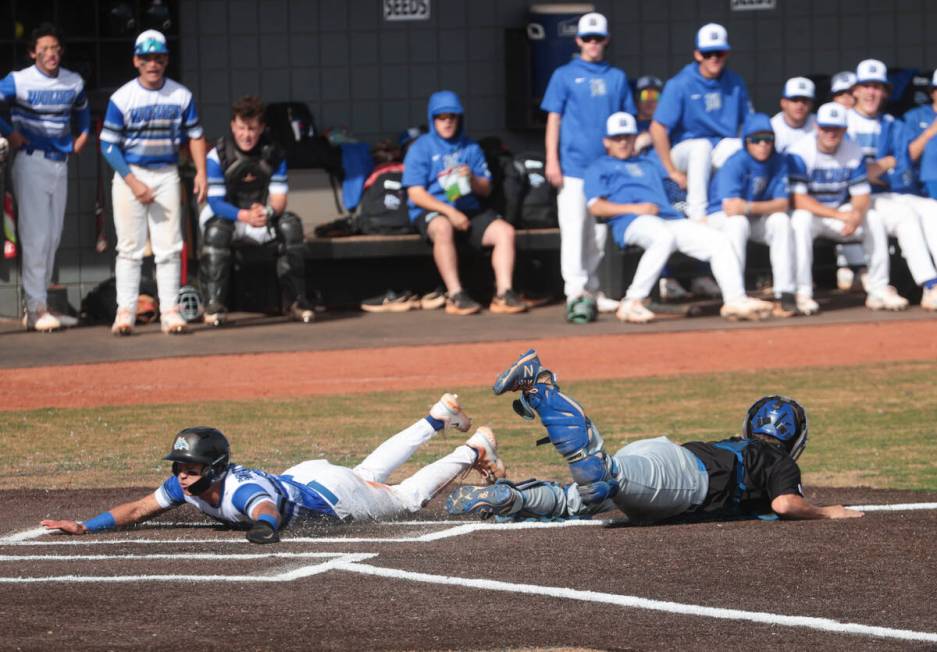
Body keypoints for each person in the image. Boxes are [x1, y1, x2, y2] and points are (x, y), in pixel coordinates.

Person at [447, 349, 864, 523]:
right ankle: (541, 388)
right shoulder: (781, 462)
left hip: (667, 461)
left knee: (582, 500)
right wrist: (828, 512)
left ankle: (510, 498)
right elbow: (786, 504)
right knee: (601, 478)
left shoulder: (742, 447)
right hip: (682, 478)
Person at [41, 393, 505, 543]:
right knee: (368, 470)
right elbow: (140, 509)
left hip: (329, 496)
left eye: (190, 466)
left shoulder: (237, 489)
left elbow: (261, 506)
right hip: (311, 479)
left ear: (214, 467)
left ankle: (474, 448)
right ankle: (434, 419)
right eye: (179, 465)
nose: (181, 473)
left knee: (404, 500)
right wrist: (87, 525)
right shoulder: (190, 485)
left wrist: (264, 528)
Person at [584, 112, 773, 323]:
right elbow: (596, 207)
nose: (622, 142)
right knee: (663, 238)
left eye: (627, 137)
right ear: (606, 141)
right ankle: (632, 301)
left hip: (670, 218)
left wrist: (672, 168)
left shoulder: (649, 163)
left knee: (719, 241)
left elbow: (669, 147)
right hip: (632, 221)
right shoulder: (598, 166)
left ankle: (735, 300)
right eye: (617, 138)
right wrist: (635, 209)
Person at [99, 29, 208, 336]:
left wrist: (201, 171)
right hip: (130, 172)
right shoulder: (122, 98)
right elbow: (108, 145)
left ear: (166, 60)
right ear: (136, 61)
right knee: (129, 248)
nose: (153, 64)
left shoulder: (181, 95)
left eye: (158, 57)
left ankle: (170, 312)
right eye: (146, 58)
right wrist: (133, 182)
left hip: (166, 173)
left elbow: (196, 135)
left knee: (169, 246)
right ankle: (125, 312)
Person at [787, 102, 926, 314]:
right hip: (816, 213)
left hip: (841, 212)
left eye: (836, 128)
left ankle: (878, 289)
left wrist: (856, 214)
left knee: (873, 218)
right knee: (800, 221)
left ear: (844, 129)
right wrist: (841, 214)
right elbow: (798, 199)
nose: (830, 133)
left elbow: (861, 194)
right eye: (826, 128)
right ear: (817, 127)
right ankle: (802, 292)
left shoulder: (852, 150)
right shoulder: (800, 151)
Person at [541, 12, 636, 323]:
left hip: (605, 169)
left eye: (598, 38)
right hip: (572, 166)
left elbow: (627, 123)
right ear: (578, 40)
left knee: (596, 235)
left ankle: (593, 289)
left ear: (606, 40)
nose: (593, 44)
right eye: (588, 38)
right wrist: (551, 160)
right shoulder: (564, 75)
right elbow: (553, 119)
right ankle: (576, 291)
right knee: (574, 229)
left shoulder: (617, 77)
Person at [0, 24, 91, 332]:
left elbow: (83, 110)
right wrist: (9, 133)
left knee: (52, 237)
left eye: (55, 48)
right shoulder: (18, 80)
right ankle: (35, 307)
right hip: (31, 161)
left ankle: (38, 304)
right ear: (32, 52)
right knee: (36, 237)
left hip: (59, 163)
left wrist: (84, 134)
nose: (51, 54)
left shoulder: (73, 81)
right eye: (44, 49)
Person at [402, 90, 526, 315]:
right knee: (442, 227)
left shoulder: (471, 148)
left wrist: (472, 178)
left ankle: (504, 293)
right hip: (435, 210)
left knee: (505, 232)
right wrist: (449, 211)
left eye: (452, 116)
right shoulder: (421, 148)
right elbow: (416, 194)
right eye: (442, 117)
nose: (447, 122)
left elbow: (486, 189)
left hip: (469, 209)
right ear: (433, 119)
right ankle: (456, 294)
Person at [198, 96, 314, 326]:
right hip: (228, 217)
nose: (247, 135)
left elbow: (280, 199)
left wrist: (268, 212)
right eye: (241, 128)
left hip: (260, 217)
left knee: (291, 225)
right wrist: (243, 215)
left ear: (262, 127)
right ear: (233, 125)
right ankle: (213, 306)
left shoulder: (274, 153)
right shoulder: (217, 155)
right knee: (215, 232)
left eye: (252, 128)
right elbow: (215, 202)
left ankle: (296, 302)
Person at [846, 59, 937, 310]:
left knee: (932, 208)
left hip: (886, 194)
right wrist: (877, 168)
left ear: (885, 91)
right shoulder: (841, 122)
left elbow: (901, 167)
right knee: (904, 215)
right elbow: (847, 172)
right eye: (866, 86)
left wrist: (878, 169)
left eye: (877, 87)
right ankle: (931, 285)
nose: (871, 92)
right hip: (853, 199)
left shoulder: (890, 123)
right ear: (855, 90)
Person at [650, 23, 751, 222]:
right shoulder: (680, 83)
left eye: (719, 53)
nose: (714, 58)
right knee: (701, 147)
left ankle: (733, 206)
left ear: (726, 54)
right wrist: (671, 170)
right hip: (684, 151)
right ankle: (697, 214)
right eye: (708, 53)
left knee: (741, 147)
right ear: (698, 55)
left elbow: (747, 124)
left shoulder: (735, 82)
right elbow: (657, 128)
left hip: (718, 147)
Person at [706, 113, 797, 317]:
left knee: (781, 221)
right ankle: (736, 296)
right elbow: (730, 208)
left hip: (751, 215)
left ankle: (785, 294)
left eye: (768, 139)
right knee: (738, 223)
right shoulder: (736, 162)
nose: (763, 144)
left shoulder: (779, 161)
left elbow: (783, 204)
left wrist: (747, 207)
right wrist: (754, 208)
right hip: (718, 217)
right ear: (747, 141)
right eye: (756, 140)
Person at [828, 70, 866, 291]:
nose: (846, 98)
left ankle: (859, 268)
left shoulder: (866, 120)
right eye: (840, 94)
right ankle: (849, 266)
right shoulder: (826, 124)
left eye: (850, 92)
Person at [903, 69, 937, 200]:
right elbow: (907, 156)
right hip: (925, 187)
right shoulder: (914, 116)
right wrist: (930, 132)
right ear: (932, 92)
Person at [770, 77, 817, 154]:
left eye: (805, 100)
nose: (800, 105)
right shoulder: (771, 127)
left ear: (811, 104)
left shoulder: (821, 126)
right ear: (783, 103)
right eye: (794, 100)